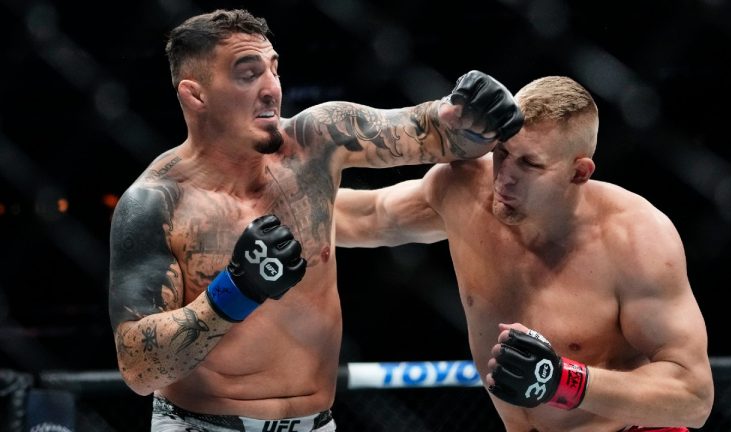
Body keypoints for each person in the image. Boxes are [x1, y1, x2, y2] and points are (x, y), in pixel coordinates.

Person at [107, 8, 524, 432]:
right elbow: (140, 371)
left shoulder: (315, 142)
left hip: (316, 423)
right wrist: (233, 292)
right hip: (199, 424)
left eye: (273, 70)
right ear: (196, 96)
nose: (271, 89)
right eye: (247, 74)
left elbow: (438, 132)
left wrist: (475, 111)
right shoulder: (156, 203)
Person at [335, 76, 714, 431]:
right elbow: (365, 216)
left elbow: (693, 396)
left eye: (530, 164)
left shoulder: (636, 238)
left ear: (579, 172)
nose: (504, 176)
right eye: (502, 153)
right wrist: (278, 204)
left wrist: (565, 381)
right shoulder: (464, 190)